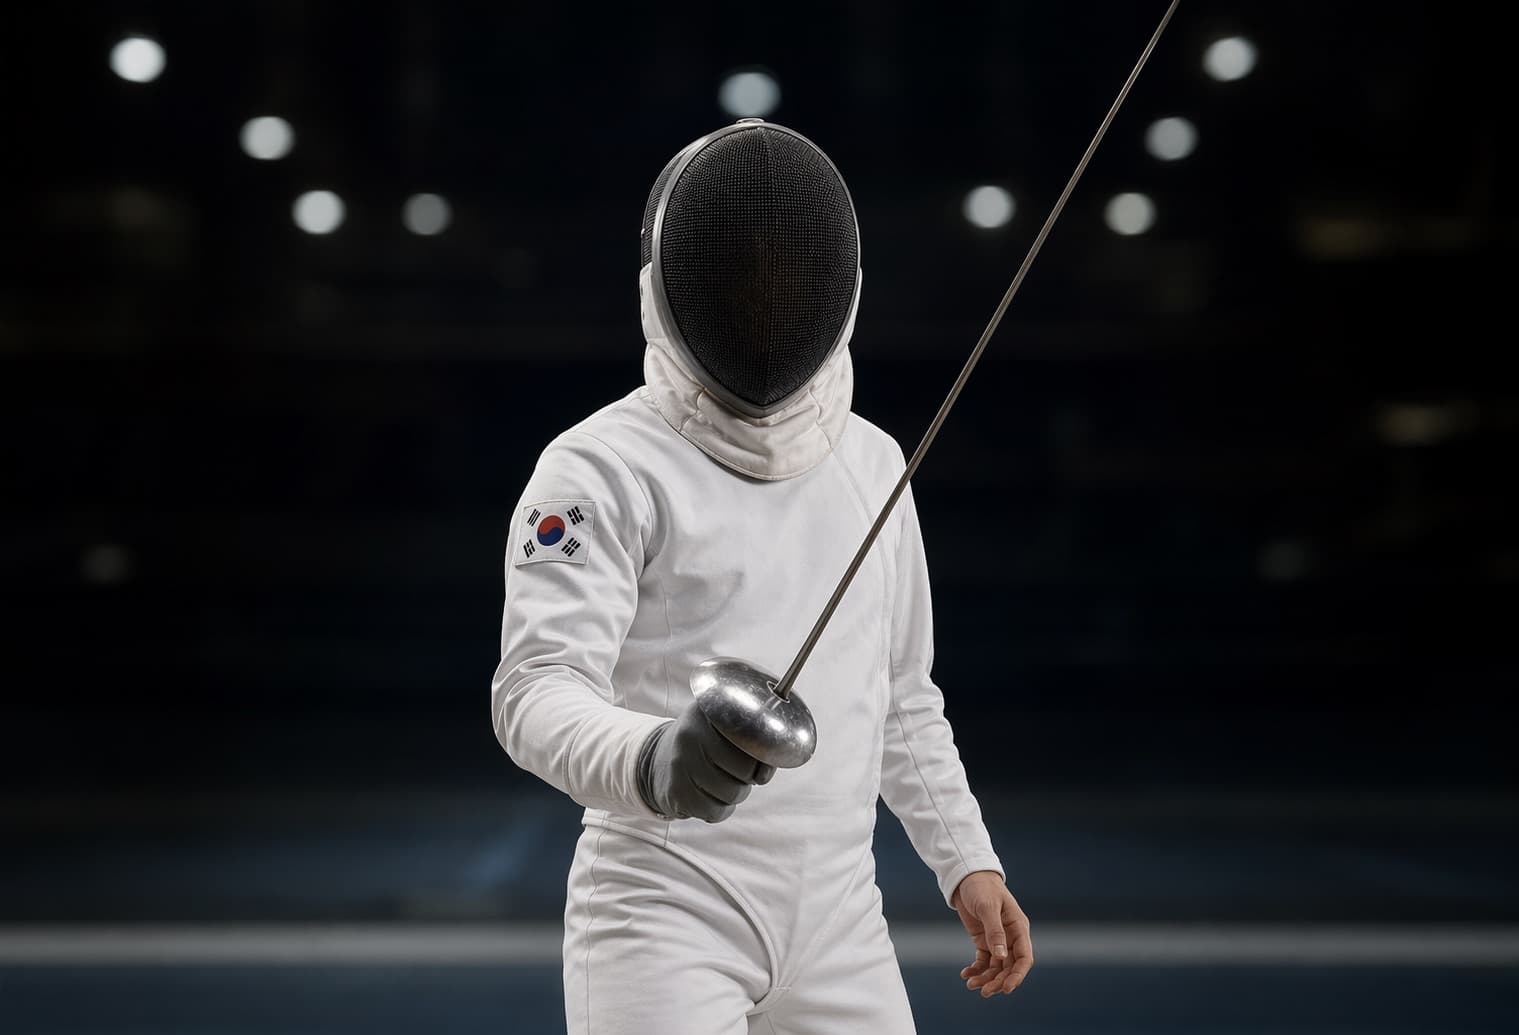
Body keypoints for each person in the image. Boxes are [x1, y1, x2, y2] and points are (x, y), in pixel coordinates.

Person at [492, 118, 1032, 1035]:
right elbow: (536, 690)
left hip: (840, 918)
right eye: (739, 270)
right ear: (672, 283)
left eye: (788, 268)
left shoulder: (871, 462)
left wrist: (966, 860)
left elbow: (900, 692)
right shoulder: (599, 467)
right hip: (659, 915)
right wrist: (654, 758)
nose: (766, 294)